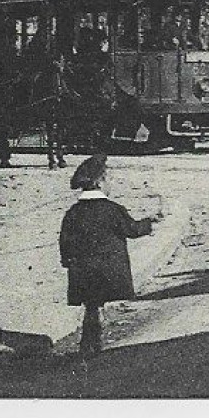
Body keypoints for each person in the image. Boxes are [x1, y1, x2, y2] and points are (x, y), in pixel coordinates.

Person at [58, 153, 157, 357]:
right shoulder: (113, 210)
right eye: (109, 179)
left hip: (83, 270)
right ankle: (93, 340)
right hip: (109, 271)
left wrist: (67, 261)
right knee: (96, 304)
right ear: (100, 182)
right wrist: (150, 223)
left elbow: (65, 241)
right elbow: (132, 229)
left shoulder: (73, 212)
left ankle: (90, 341)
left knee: (91, 304)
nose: (111, 184)